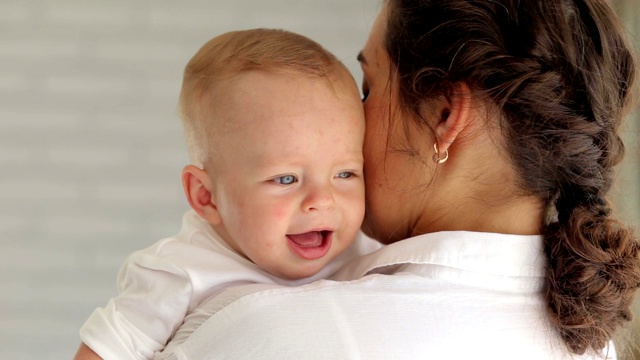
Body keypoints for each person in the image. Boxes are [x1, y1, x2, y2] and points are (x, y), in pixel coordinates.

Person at [155, 0, 640, 359]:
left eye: (369, 88)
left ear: (445, 115)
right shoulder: (589, 344)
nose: (348, 125)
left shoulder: (276, 332)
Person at [73, 28, 382, 360]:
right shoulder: (181, 273)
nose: (322, 200)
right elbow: (103, 352)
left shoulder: (367, 249)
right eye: (286, 179)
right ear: (206, 196)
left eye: (345, 173)